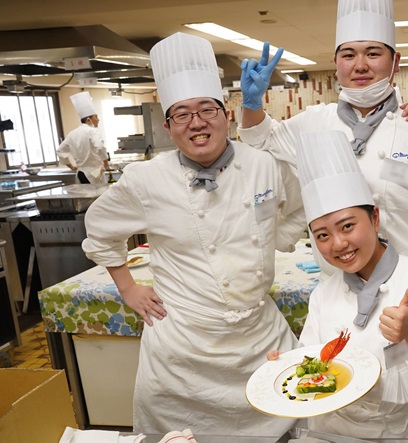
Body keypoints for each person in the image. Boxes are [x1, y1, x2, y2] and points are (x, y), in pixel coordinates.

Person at [238, 0, 408, 437]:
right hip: (340, 291)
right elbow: (258, 137)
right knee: (340, 392)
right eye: (348, 54)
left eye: (373, 52)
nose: (360, 65)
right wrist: (251, 102)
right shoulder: (314, 122)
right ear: (336, 63)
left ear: (395, 61)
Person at [81, 32, 305, 436]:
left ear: (225, 114)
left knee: (285, 426)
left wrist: (270, 244)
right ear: (168, 127)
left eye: (206, 109)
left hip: (259, 338)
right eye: (182, 114)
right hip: (183, 350)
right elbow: (99, 231)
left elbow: (296, 211)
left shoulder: (263, 164)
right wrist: (128, 288)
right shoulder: (146, 180)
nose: (196, 123)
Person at [269, 130, 408, 438]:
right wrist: (288, 367)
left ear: (375, 218)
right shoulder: (323, 294)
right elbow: (313, 365)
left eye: (347, 226)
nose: (338, 244)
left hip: (399, 434)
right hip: (330, 431)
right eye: (322, 235)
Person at [57, 91, 108, 184]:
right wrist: (105, 163)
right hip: (94, 174)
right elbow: (100, 146)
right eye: (96, 117)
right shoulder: (92, 131)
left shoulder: (72, 134)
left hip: (80, 174)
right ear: (89, 119)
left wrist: (72, 167)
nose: (98, 119)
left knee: (84, 197)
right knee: (97, 198)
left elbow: (60, 150)